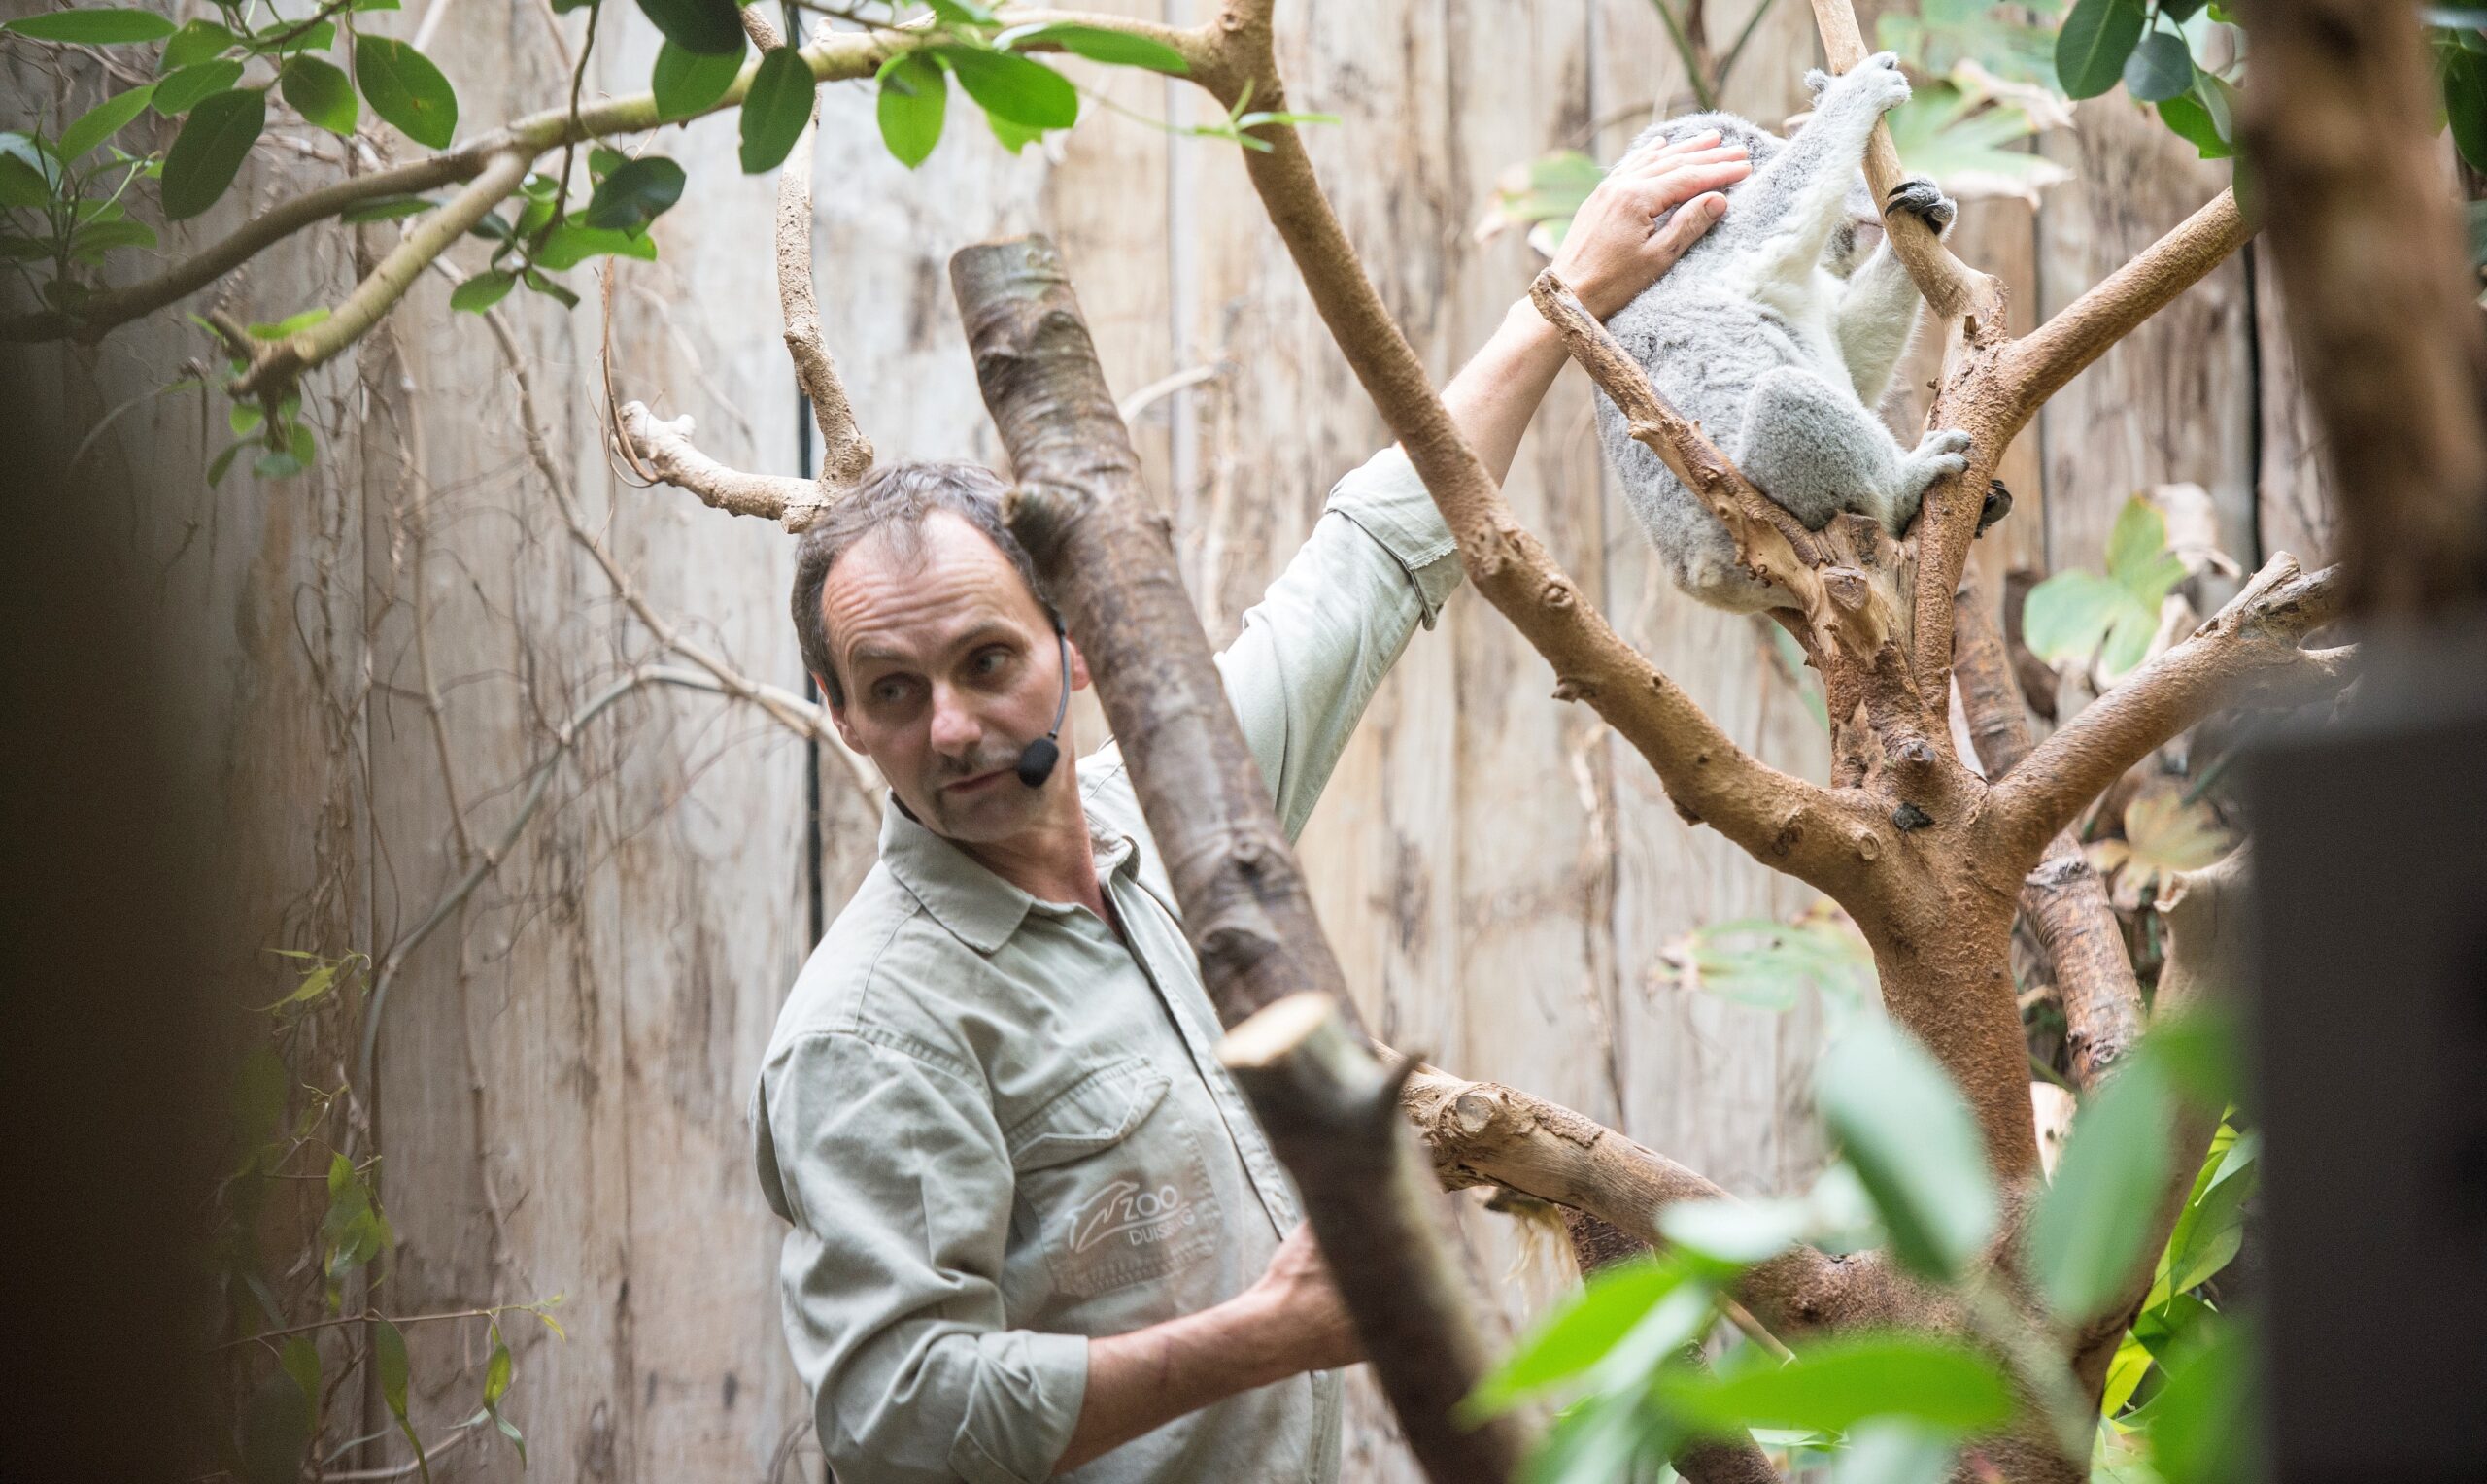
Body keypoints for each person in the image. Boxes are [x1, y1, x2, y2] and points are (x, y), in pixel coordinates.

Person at [752, 132, 1752, 1484]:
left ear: (1079, 643)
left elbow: (1374, 559)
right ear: (837, 711)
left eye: (987, 662)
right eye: (890, 689)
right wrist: (1267, 1335)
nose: (950, 728)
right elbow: (901, 1422)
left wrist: (1561, 298)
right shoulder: (868, 1029)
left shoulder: (1181, 812)